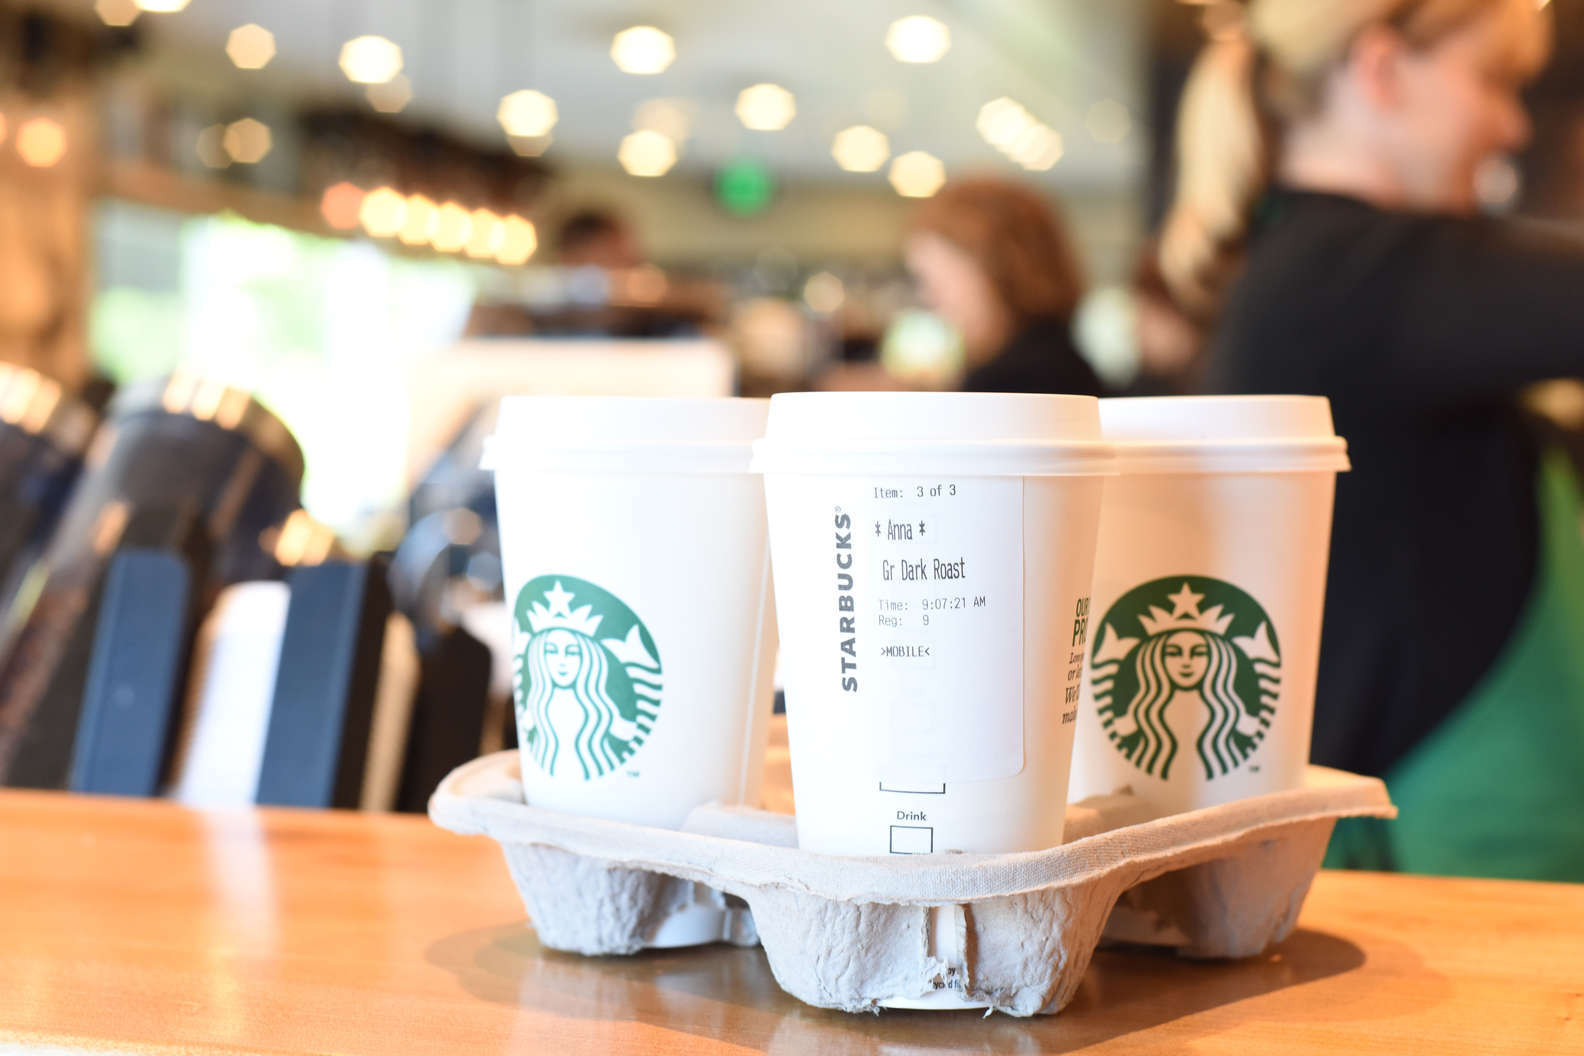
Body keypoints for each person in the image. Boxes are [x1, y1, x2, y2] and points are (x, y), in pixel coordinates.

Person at [1162, 0, 1584, 879]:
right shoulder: (1349, 275)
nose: (1512, 127)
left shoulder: (1337, 278)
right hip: (1459, 863)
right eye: (1494, 81)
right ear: (1382, 68)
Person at [905, 178, 1104, 396]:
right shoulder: (1065, 368)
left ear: (1001, 271)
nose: (930, 299)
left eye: (936, 282)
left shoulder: (1012, 384)